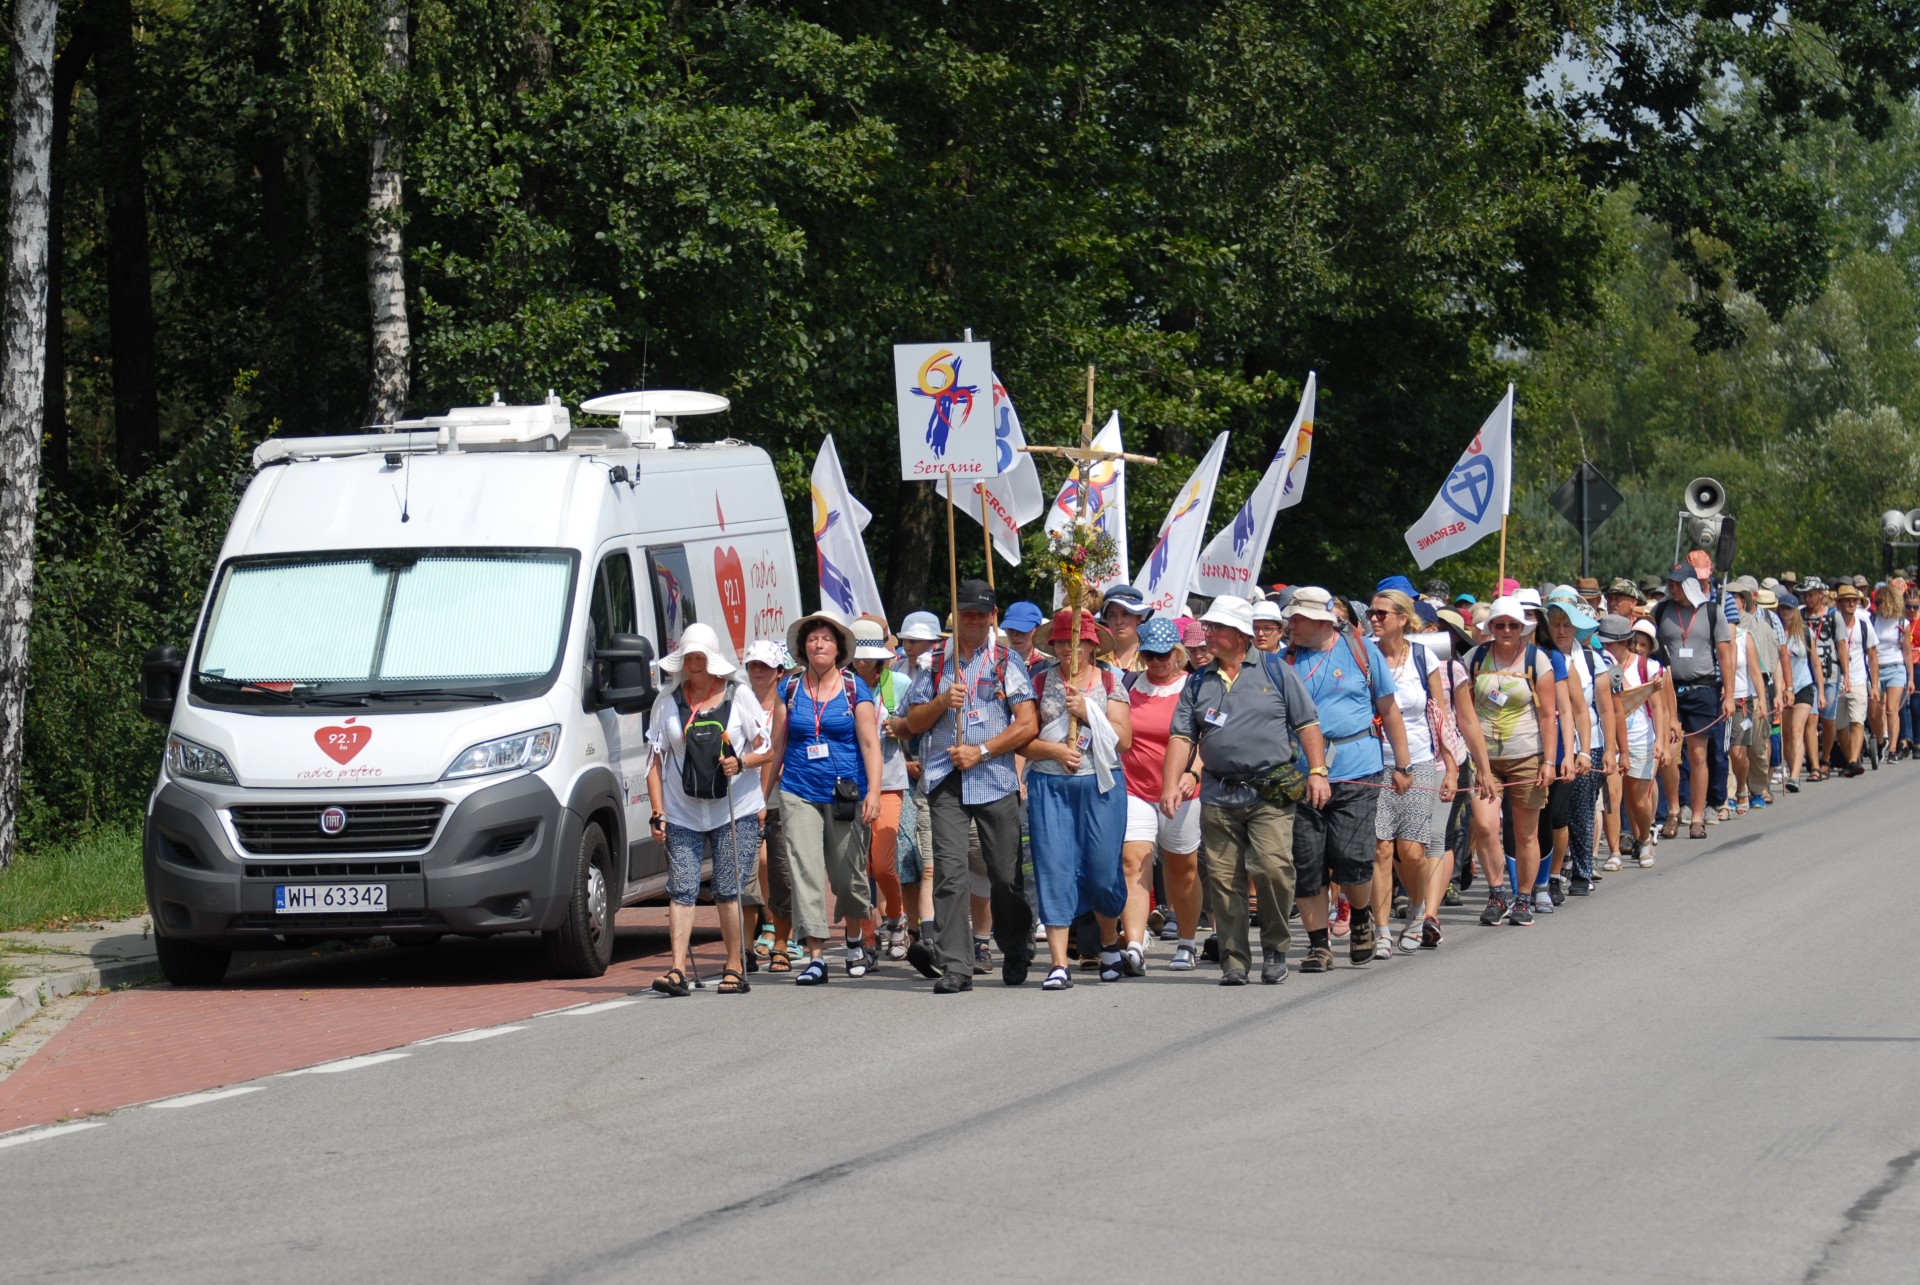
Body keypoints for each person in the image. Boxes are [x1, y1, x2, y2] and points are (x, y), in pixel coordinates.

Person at [1161, 595, 1329, 985]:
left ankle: (1275, 948)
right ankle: (1234, 960)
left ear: (1240, 634)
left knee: (1273, 869)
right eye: (1209, 627)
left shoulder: (1275, 670)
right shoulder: (1198, 680)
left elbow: (1307, 723)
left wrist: (1318, 771)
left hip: (1270, 792)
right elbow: (1182, 736)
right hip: (1218, 794)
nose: (1208, 635)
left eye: (1217, 628)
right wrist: (1170, 784)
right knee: (1223, 880)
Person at [903, 579, 1039, 993]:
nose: (974, 619)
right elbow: (912, 722)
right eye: (967, 613)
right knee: (949, 873)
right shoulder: (934, 661)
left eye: (981, 613)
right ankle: (956, 965)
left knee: (1005, 876)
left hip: (994, 778)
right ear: (955, 615)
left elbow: (1027, 724)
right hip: (945, 779)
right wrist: (942, 702)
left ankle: (1015, 945)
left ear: (993, 616)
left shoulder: (1006, 660)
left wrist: (980, 751)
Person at [1283, 586, 1410, 967]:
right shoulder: (1284, 660)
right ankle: (1318, 945)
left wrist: (1402, 765)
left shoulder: (1362, 651)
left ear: (1321, 621)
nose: (1291, 625)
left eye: (1298, 619)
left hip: (1357, 769)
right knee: (1308, 862)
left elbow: (1389, 711)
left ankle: (1359, 918)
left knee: (1352, 858)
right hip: (1300, 776)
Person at [644, 624, 773, 998]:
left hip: (735, 807)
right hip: (682, 810)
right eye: (689, 656)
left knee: (727, 888)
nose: (694, 663)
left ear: (712, 659)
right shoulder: (666, 701)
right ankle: (677, 970)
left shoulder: (738, 694)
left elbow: (767, 748)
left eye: (700, 656)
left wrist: (742, 762)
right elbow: (654, 760)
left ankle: (734, 965)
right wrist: (657, 811)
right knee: (682, 887)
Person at [1369, 590, 1489, 954]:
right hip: (1375, 762)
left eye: (1382, 613)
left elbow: (1441, 717)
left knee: (1412, 851)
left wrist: (1451, 767)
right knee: (1381, 849)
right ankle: (1381, 930)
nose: (1374, 618)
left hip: (1421, 761)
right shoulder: (1366, 655)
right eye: (1371, 612)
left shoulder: (1424, 658)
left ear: (1403, 619)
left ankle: (1418, 909)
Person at [771, 610, 884, 985]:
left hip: (845, 793)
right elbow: (777, 746)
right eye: (812, 639)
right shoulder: (789, 688)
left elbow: (870, 744)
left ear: (839, 649)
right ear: (803, 648)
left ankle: (853, 940)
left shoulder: (854, 688)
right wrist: (761, 799)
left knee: (846, 875)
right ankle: (816, 957)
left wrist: (874, 792)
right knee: (804, 871)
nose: (819, 644)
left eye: (826, 639)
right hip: (798, 791)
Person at [1024, 609, 1133, 989]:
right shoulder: (1039, 682)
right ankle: (1058, 963)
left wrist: (1088, 712)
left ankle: (1109, 943)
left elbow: (1124, 740)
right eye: (1060, 642)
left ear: (1091, 645)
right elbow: (1023, 739)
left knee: (1102, 871)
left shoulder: (1110, 681)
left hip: (1100, 785)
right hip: (1050, 787)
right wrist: (1054, 751)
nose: (1068, 649)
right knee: (1053, 868)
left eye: (1076, 642)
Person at [1465, 597, 1558, 925]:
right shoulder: (1474, 658)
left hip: (1526, 755)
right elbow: (1464, 709)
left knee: (1526, 834)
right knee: (1485, 826)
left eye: (1513, 625)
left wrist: (1549, 761)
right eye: (1500, 624)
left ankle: (1523, 898)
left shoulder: (1537, 660)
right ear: (1490, 627)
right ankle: (1496, 894)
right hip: (1484, 759)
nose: (1506, 630)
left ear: (1523, 628)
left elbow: (1548, 715)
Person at [1120, 617, 1204, 969]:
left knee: (1182, 867)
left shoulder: (1195, 686)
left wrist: (1193, 772)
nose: (1156, 661)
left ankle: (1187, 941)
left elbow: (1208, 736)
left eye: (1163, 654)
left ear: (1178, 653)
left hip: (1182, 792)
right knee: (1133, 860)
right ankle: (1135, 945)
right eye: (1149, 655)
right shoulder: (1126, 685)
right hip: (1134, 787)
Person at [1652, 561, 1734, 839]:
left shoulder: (1712, 612)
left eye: (1677, 584)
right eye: (1670, 583)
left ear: (1690, 585)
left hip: (1703, 689)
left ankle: (1698, 816)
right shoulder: (1661, 610)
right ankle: (1674, 809)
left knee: (1699, 755)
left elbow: (1725, 655)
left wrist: (1729, 695)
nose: (1672, 588)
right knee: (1669, 753)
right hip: (1669, 689)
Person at [849, 617, 909, 959]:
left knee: (881, 865)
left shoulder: (898, 683)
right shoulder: (839, 685)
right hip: (848, 785)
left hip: (888, 782)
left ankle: (897, 918)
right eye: (855, 655)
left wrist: (899, 726)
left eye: (866, 656)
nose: (860, 662)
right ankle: (867, 939)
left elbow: (917, 727)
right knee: (855, 867)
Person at [1598, 616, 1670, 873]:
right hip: (1610, 741)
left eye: (1611, 644)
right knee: (1612, 796)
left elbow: (1659, 707)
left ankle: (1644, 839)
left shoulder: (1646, 666)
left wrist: (1661, 740)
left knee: (1638, 801)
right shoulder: (1599, 665)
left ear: (1624, 642)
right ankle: (1614, 851)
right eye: (1603, 643)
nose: (1606, 649)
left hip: (1640, 738)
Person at [741, 639, 797, 972]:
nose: (758, 670)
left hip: (781, 799)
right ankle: (746, 948)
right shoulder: (736, 702)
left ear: (779, 671)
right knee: (744, 877)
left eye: (765, 665)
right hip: (744, 803)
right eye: (753, 665)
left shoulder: (790, 704)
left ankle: (782, 942)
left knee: (781, 875)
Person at [1776, 591, 1821, 791]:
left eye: (1789, 608)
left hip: (1803, 685)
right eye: (1782, 608)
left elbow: (1815, 663)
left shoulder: (1805, 633)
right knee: (1786, 734)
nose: (1785, 612)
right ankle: (1791, 765)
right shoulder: (1776, 632)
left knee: (1796, 730)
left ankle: (1795, 776)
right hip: (1783, 688)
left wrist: (1820, 691)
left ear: (1796, 611)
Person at [1831, 582, 1877, 775]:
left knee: (1857, 722)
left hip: (1858, 679)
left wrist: (1875, 686)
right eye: (1847, 600)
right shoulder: (1831, 625)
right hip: (1836, 680)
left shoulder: (1864, 625)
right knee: (1840, 727)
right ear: (1839, 603)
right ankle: (1851, 758)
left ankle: (1851, 762)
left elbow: (1872, 655)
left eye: (1854, 600)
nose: (1851, 603)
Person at [1872, 582, 1912, 762]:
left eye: (1879, 603)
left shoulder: (1902, 623)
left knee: (1891, 709)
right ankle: (1882, 741)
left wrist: (1910, 678)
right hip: (1876, 668)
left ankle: (1893, 749)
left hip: (1896, 667)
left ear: (1888, 602)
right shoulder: (1873, 620)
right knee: (1874, 710)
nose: (1876, 606)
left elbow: (1907, 652)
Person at [1100, 584, 1154, 672]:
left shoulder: (1154, 656)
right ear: (1107, 620)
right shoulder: (1095, 658)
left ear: (1138, 618)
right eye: (1112, 615)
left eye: (1125, 614)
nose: (1118, 621)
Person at [1001, 601, 1048, 668]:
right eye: (1011, 629)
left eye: (1022, 630)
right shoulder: (995, 665)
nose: (1015, 635)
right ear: (1005, 630)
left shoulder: (1047, 670)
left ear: (1037, 630)